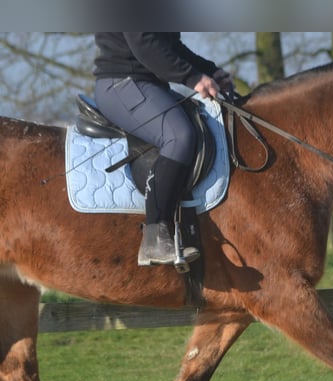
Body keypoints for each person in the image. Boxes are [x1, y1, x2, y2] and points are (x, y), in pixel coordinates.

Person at [93, 33, 234, 266]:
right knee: (179, 136)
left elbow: (170, 45)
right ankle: (154, 239)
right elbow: (145, 43)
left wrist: (208, 70)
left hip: (149, 84)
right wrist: (193, 77)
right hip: (122, 83)